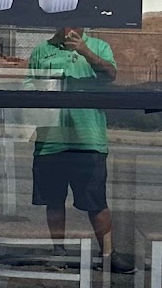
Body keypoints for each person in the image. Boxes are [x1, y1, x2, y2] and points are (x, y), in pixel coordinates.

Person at [25, 27, 130, 272]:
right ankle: (59, 252)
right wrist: (39, 90)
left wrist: (85, 51)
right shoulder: (42, 50)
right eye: (64, 21)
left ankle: (107, 255)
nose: (70, 27)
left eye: (76, 22)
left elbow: (110, 75)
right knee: (53, 200)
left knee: (96, 201)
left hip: (87, 138)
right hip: (51, 138)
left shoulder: (99, 46)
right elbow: (27, 85)